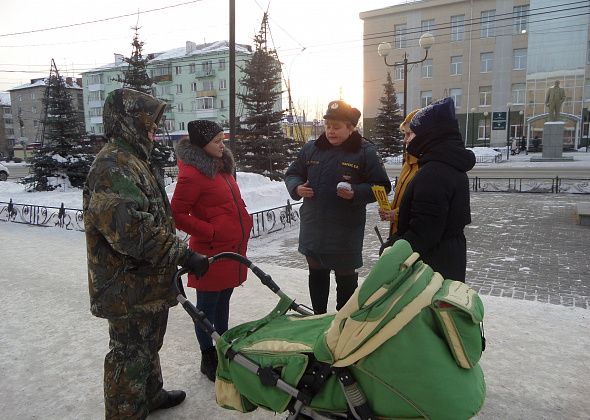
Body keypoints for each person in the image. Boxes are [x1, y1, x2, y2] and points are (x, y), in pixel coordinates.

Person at [83, 88, 209, 419]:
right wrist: (183, 254)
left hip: (145, 280)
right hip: (125, 286)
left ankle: (150, 394)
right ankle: (126, 412)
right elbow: (131, 232)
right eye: (150, 122)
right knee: (129, 354)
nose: (155, 129)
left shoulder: (133, 160)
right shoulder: (113, 165)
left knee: (148, 345)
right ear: (130, 122)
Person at [285, 100, 391, 314]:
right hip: (314, 226)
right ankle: (318, 318)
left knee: (346, 280)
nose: (330, 131)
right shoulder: (311, 149)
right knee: (316, 274)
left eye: (337, 127)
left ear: (351, 128)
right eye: (328, 126)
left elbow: (381, 186)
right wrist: (297, 188)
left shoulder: (365, 151)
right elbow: (293, 173)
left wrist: (356, 192)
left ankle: (343, 323)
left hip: (345, 230)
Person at [171, 120, 253, 382]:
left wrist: (244, 219)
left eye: (222, 140)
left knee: (224, 301)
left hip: (231, 249)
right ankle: (209, 357)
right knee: (206, 308)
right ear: (201, 144)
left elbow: (232, 201)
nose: (222, 145)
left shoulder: (222, 168)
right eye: (217, 141)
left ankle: (223, 346)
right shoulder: (192, 173)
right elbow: (177, 214)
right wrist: (212, 231)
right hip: (210, 253)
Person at [380, 97, 475, 282]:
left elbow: (423, 233)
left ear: (428, 135)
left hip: (430, 269)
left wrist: (392, 250)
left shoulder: (434, 174)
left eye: (411, 134)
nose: (406, 141)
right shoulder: (449, 165)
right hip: (447, 259)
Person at [378, 109, 420, 254]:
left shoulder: (425, 168)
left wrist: (396, 214)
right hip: (398, 235)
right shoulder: (408, 164)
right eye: (404, 134)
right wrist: (389, 209)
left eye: (409, 134)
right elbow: (404, 200)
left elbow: (422, 210)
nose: (405, 140)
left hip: (412, 243)